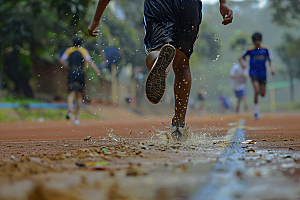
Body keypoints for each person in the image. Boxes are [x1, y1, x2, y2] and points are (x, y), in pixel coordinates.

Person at [88, 0, 233, 139]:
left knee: (157, 49)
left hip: (159, 4)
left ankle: (159, 59)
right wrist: (223, 3)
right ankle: (179, 123)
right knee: (182, 65)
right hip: (189, 5)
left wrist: (96, 19)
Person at [59, 36, 101, 125]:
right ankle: (77, 115)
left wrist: (66, 68)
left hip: (72, 72)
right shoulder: (83, 51)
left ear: (72, 42)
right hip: (81, 73)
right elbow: (90, 62)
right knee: (80, 95)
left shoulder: (69, 50)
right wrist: (97, 71)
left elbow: (61, 61)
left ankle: (70, 108)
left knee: (71, 92)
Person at [239, 32, 275, 120]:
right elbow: (241, 58)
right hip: (253, 73)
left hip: (263, 74)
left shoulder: (266, 49)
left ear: (261, 41)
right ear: (253, 41)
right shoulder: (249, 49)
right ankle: (256, 112)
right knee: (256, 89)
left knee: (262, 94)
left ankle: (257, 103)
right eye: (255, 41)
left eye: (258, 41)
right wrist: (243, 64)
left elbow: (270, 60)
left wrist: (272, 69)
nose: (256, 43)